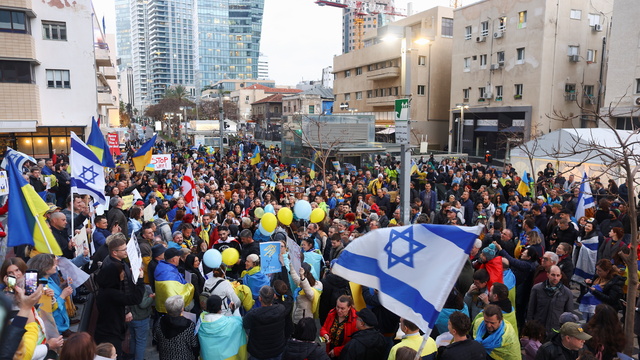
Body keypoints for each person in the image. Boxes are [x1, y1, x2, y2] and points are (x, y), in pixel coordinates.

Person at [94, 260, 146, 359]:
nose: (123, 274)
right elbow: (135, 299)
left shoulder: (105, 290)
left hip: (106, 330)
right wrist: (140, 280)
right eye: (121, 272)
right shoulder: (112, 294)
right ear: (114, 275)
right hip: (111, 334)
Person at [27, 254, 74, 337]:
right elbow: (49, 308)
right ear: (45, 268)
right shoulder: (40, 286)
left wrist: (63, 285)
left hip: (60, 324)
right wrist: (63, 295)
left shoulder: (49, 279)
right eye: (53, 264)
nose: (56, 266)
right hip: (55, 329)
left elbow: (55, 294)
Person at [243, 285, 289, 360]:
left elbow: (245, 325)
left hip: (258, 353)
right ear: (274, 296)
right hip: (277, 350)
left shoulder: (253, 314)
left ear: (260, 298)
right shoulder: (281, 309)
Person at [526, 265, 574, 337]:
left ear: (561, 276)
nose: (555, 278)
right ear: (547, 275)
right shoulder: (537, 289)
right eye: (553, 275)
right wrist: (530, 326)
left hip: (555, 330)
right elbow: (531, 309)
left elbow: (569, 314)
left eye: (558, 275)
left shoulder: (567, 293)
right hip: (538, 328)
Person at [198, 295, 248, 360]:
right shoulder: (230, 323)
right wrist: (235, 309)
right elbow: (239, 322)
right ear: (220, 306)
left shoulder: (200, 324)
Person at [153, 295, 199, 360]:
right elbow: (194, 345)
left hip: (165, 357)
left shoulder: (160, 322)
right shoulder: (189, 325)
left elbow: (155, 339)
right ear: (182, 309)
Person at [154, 248, 195, 314]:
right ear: (174, 259)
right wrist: (190, 287)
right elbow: (178, 297)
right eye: (178, 256)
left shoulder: (163, 266)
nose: (179, 257)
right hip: (170, 311)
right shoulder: (168, 275)